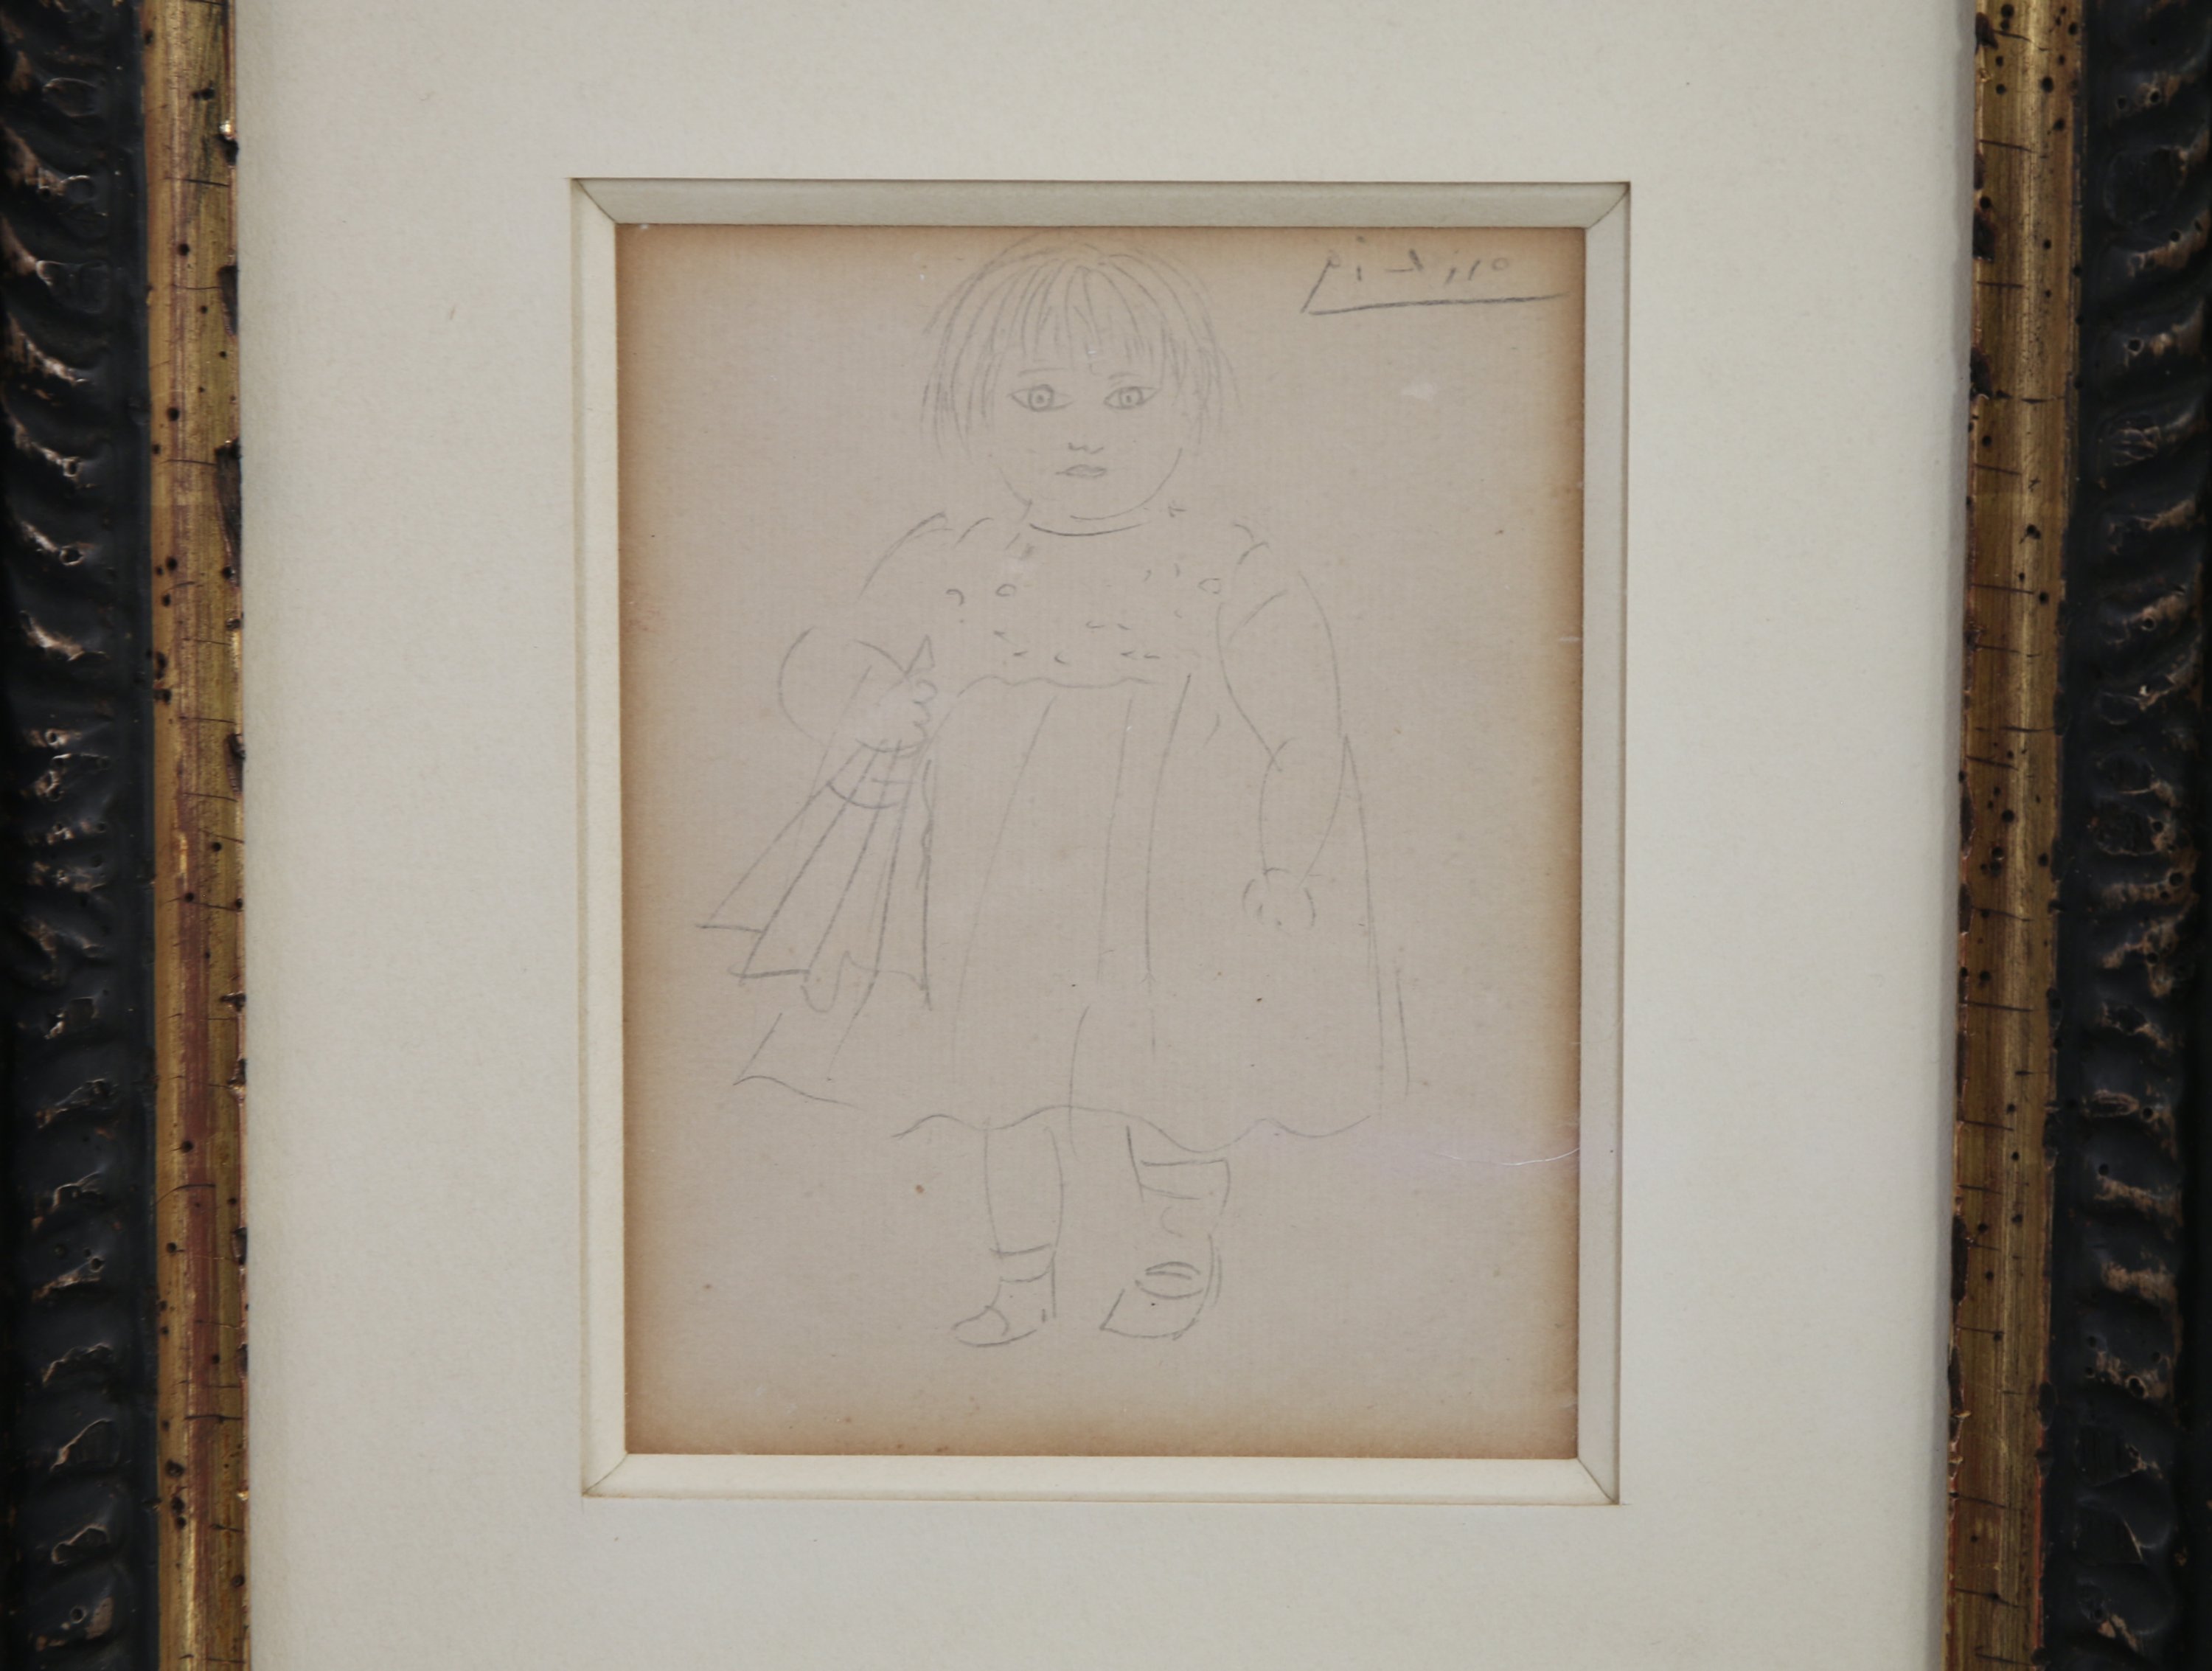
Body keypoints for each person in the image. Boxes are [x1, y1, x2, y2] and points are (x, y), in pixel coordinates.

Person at [709, 235, 1383, 1344]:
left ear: (1189, 408)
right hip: (996, 897)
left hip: (1171, 899)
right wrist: (873, 702)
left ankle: (1175, 1257)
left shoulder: (1230, 565)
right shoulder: (953, 554)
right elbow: (831, 655)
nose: (1084, 431)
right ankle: (1022, 1279)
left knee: (1168, 1086)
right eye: (1038, 397)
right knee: (1005, 1093)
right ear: (977, 408)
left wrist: (1283, 861)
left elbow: (1307, 731)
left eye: (1127, 397)